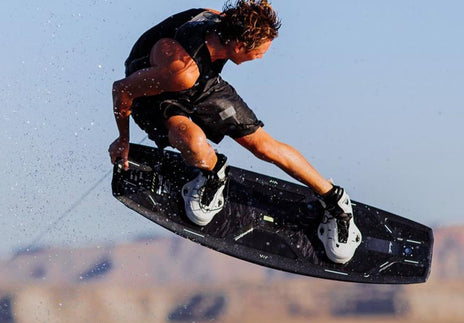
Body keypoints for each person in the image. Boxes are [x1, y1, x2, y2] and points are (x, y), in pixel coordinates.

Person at [109, 1, 362, 263]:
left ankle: (336, 202)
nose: (262, 57)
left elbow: (241, 15)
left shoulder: (225, 22)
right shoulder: (182, 71)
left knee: (263, 145)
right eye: (259, 52)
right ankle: (213, 173)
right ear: (239, 46)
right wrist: (123, 139)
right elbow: (122, 90)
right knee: (193, 141)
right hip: (160, 90)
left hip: (203, 83)